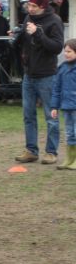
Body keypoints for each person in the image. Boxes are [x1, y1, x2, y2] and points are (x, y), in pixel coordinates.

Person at [13, 0, 64, 165]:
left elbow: (57, 47)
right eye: (29, 5)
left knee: (51, 116)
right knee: (28, 114)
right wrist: (17, 36)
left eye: (34, 6)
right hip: (29, 74)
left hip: (47, 75)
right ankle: (31, 150)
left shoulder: (54, 21)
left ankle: (51, 152)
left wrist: (38, 33)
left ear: (43, 6)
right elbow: (27, 43)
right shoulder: (29, 19)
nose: (30, 9)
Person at [51, 39, 76, 169]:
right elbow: (56, 89)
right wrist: (54, 106)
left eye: (69, 51)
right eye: (65, 51)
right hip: (66, 107)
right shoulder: (62, 68)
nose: (66, 54)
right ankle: (69, 159)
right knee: (69, 133)